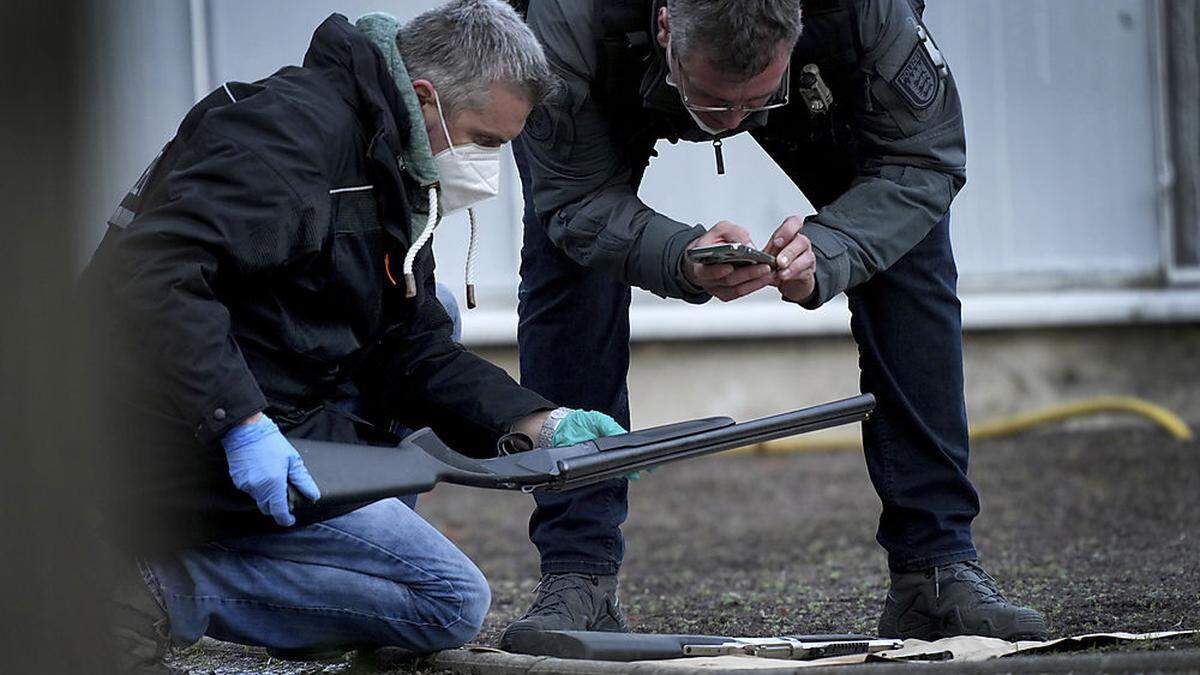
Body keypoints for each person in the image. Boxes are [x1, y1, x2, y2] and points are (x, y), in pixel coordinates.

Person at [81, 1, 628, 671]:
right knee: (447, 601)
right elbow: (154, 276)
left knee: (440, 307)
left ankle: (281, 570)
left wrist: (537, 420)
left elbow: (415, 344)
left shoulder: (391, 157)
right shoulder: (285, 138)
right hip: (164, 428)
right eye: (485, 139)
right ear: (426, 97)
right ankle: (156, 580)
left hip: (275, 395)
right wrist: (239, 422)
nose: (490, 165)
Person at [503, 0, 1049, 646]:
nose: (733, 125)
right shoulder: (570, 19)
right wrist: (677, 256)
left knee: (906, 241)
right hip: (618, 60)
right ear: (665, 28)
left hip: (800, 56)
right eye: (715, 104)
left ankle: (936, 571)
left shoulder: (861, 11)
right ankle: (578, 578)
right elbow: (574, 198)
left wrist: (835, 247)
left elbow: (923, 160)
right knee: (566, 254)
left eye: (754, 102)